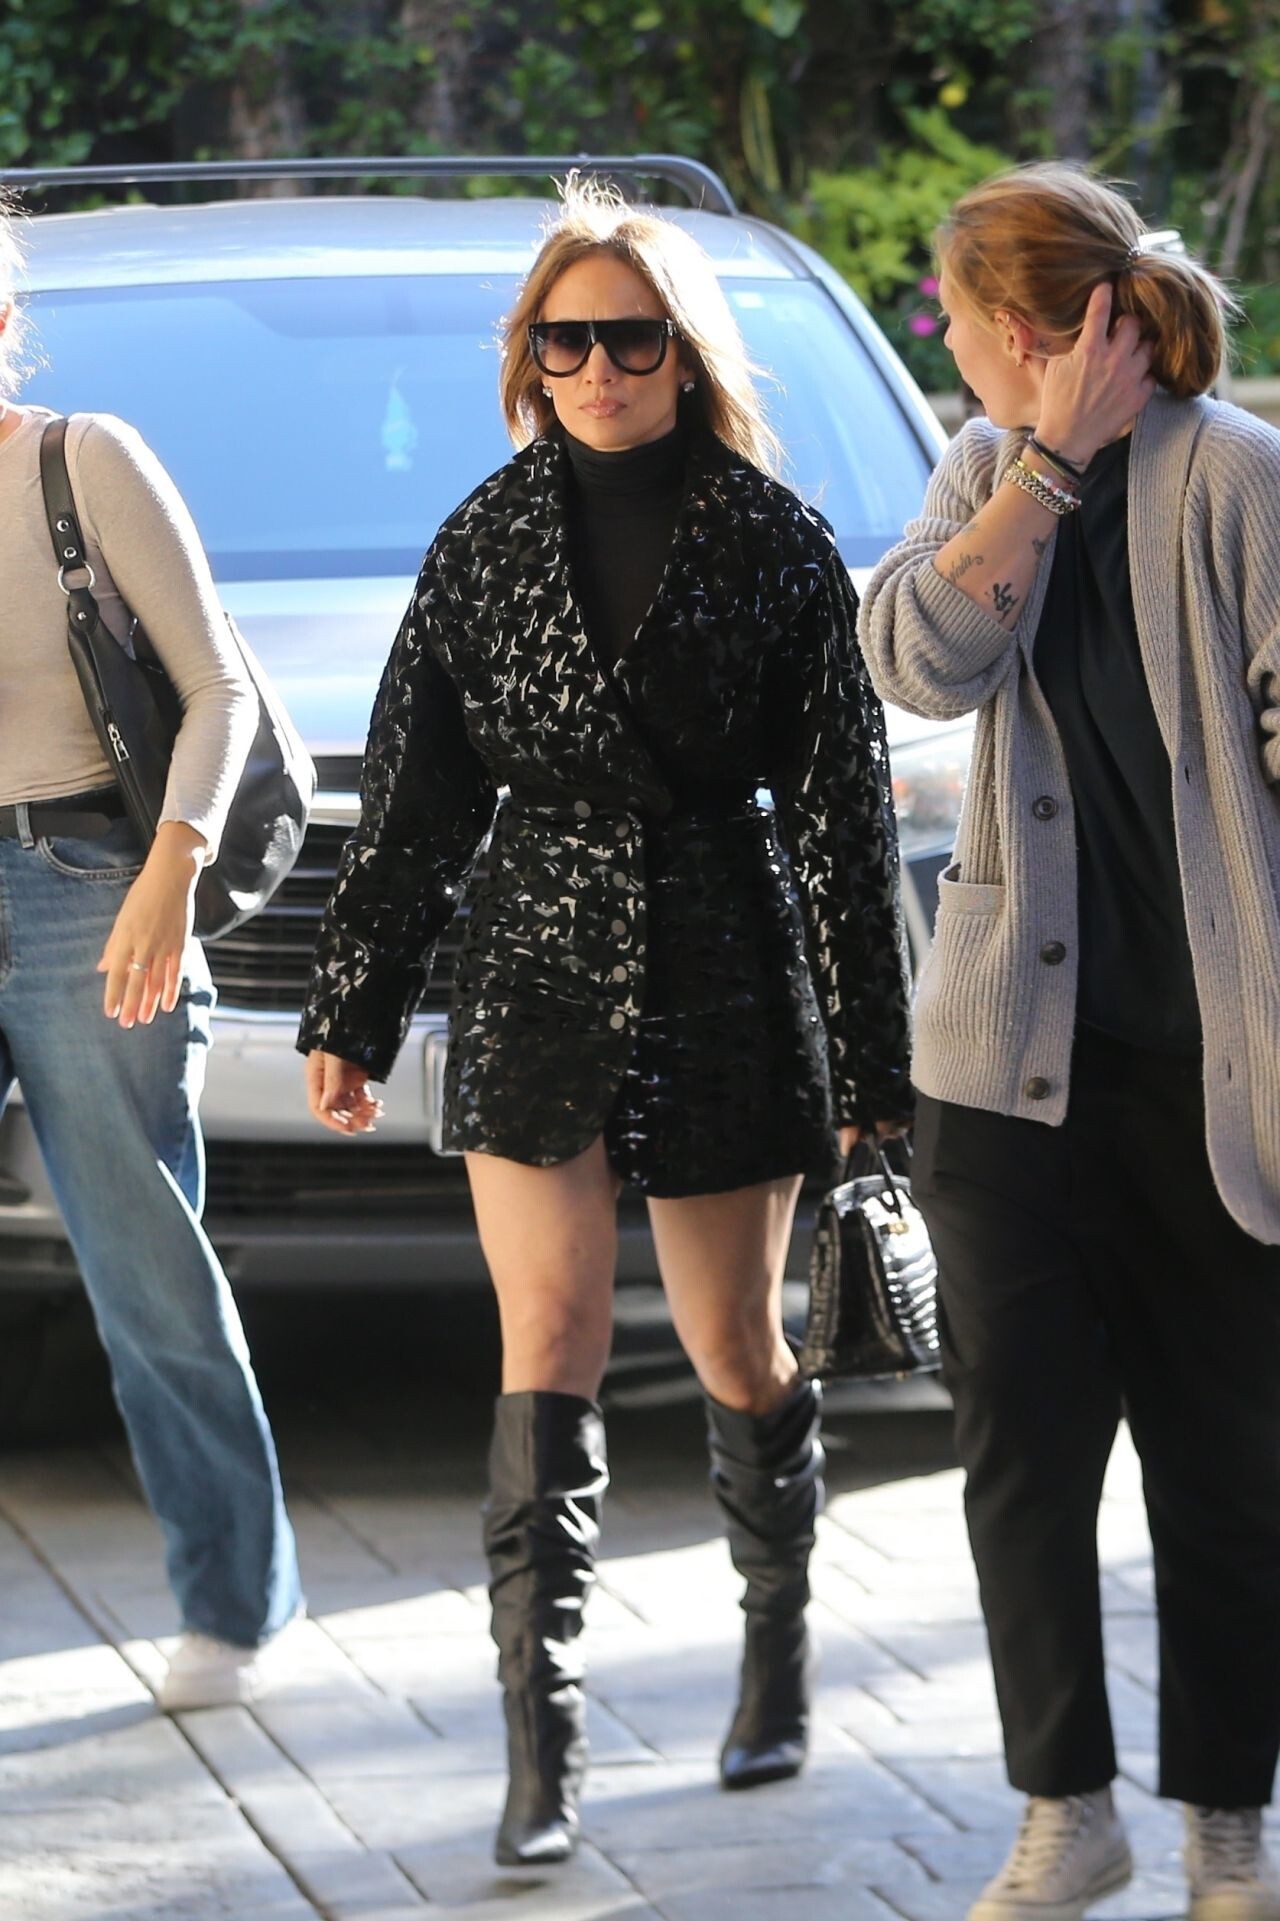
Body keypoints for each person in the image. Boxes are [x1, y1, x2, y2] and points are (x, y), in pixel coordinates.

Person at [300, 176, 912, 1867]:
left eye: (628, 339)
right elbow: (414, 796)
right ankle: (541, 1743)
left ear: (683, 351)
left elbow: (844, 821)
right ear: (529, 356)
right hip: (534, 960)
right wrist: (355, 1003)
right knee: (550, 1335)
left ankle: (776, 1648)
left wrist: (874, 1068)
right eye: (562, 342)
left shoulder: (775, 542)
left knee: (734, 1345)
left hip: (723, 950)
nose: (595, 370)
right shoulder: (484, 540)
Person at [860, 160, 1280, 1921]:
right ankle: (1066, 1811)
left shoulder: (1237, 477)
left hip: (1217, 1082)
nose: (941, 343)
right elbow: (912, 660)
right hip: (1007, 1074)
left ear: (1025, 329)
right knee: (1022, 1461)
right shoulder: (982, 471)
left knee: (1226, 1465)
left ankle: (1225, 1831)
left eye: (951, 315)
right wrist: (1040, 466)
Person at [0, 194, 300, 1709]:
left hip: (87, 886)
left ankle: (233, 1606)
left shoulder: (82, 460)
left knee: (143, 1265)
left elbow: (217, 688)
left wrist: (170, 871)